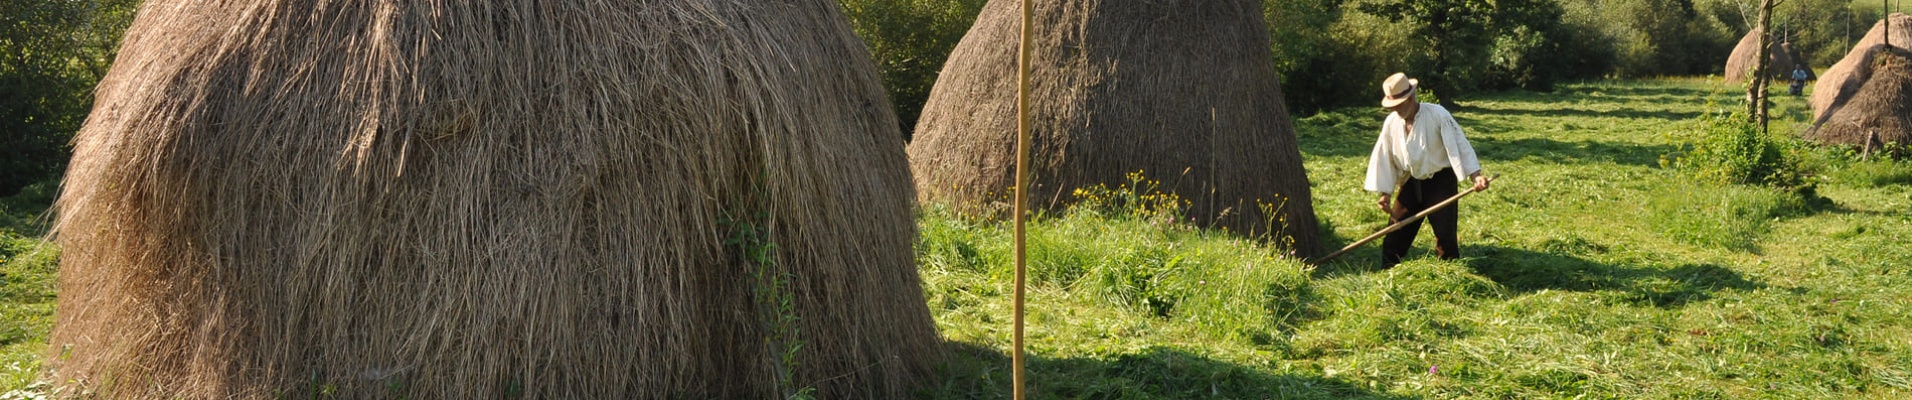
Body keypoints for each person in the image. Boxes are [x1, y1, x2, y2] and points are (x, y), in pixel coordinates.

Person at [1364, 72, 1489, 268]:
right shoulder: (1391, 123)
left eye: (1399, 105)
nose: (1396, 110)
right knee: (1394, 237)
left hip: (1440, 182)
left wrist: (1476, 175)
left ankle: (1449, 278)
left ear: (1411, 98)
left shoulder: (1437, 114)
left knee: (1445, 237)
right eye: (1393, 106)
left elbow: (1459, 143)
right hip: (1411, 183)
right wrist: (1385, 193)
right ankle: (1386, 277)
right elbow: (1384, 156)